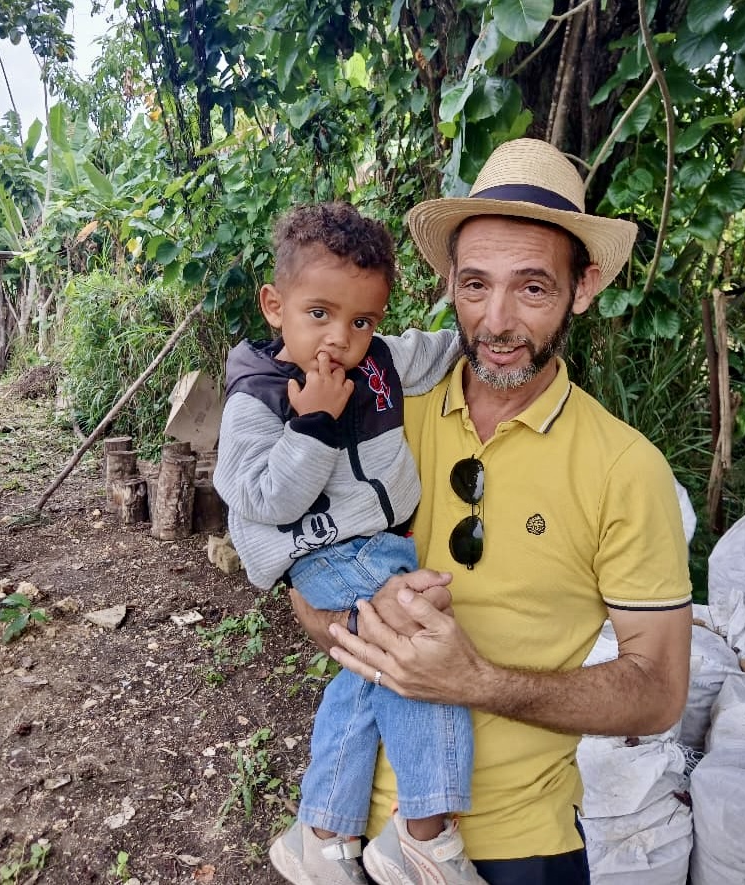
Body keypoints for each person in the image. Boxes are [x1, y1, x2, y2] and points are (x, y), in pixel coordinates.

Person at [289, 139, 694, 885]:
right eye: (475, 285)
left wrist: (475, 680)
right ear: (449, 283)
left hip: (520, 847)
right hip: (347, 834)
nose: (496, 320)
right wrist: (361, 619)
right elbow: (300, 583)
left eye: (532, 288)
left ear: (584, 286)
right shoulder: (382, 410)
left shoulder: (623, 468)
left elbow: (659, 691)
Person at [212, 202, 488, 885]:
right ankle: (424, 835)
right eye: (319, 314)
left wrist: (476, 305)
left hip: (375, 547)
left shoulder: (382, 362)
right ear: (274, 305)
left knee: (364, 671)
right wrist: (312, 426)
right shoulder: (261, 395)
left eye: (361, 320)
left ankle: (323, 833)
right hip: (324, 553)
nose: (340, 338)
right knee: (417, 645)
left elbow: (445, 343)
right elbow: (259, 497)